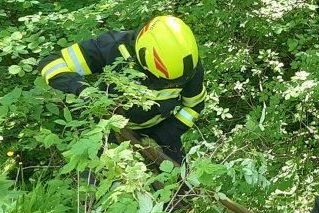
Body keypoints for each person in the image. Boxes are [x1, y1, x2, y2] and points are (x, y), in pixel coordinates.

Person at [40, 15, 205, 167]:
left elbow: (193, 107)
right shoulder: (113, 47)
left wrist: (163, 137)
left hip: (159, 132)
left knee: (181, 188)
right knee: (103, 183)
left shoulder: (189, 68)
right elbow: (51, 63)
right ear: (144, 59)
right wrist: (84, 91)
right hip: (107, 128)